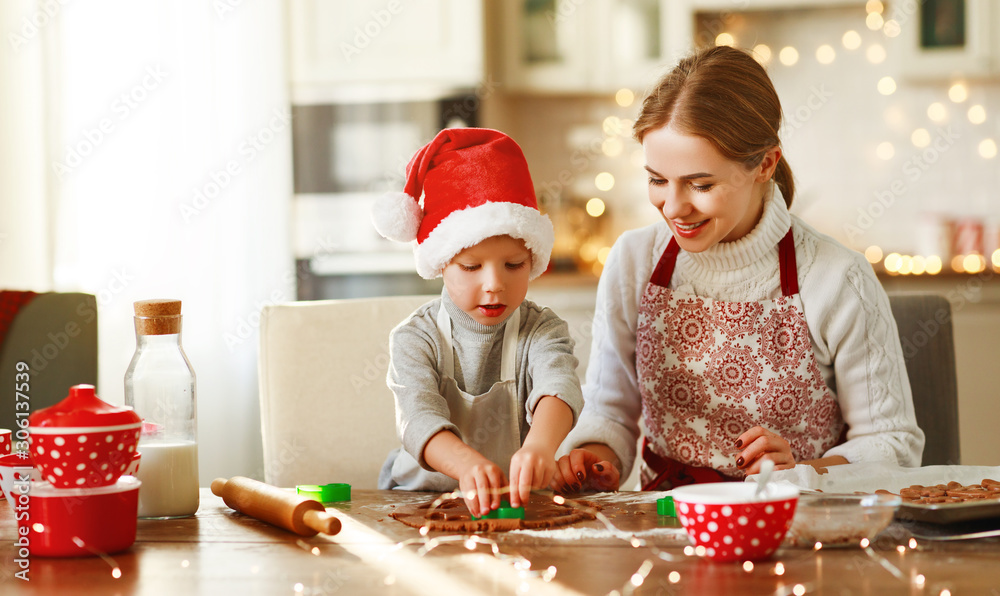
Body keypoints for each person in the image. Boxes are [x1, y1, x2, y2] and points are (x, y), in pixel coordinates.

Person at [553, 46, 925, 493]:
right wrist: (594, 458)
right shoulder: (634, 261)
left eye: (701, 184)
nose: (674, 208)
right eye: (657, 180)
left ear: (765, 164)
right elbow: (609, 411)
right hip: (668, 525)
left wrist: (805, 470)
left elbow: (892, 444)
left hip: (799, 529)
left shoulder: (836, 277)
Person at [372, 128, 583, 516]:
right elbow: (418, 419)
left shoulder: (542, 330)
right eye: (471, 267)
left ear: (532, 259)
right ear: (440, 264)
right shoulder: (415, 338)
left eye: (514, 265)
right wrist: (465, 463)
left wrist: (540, 446)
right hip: (418, 502)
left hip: (511, 506)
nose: (494, 285)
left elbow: (559, 385)